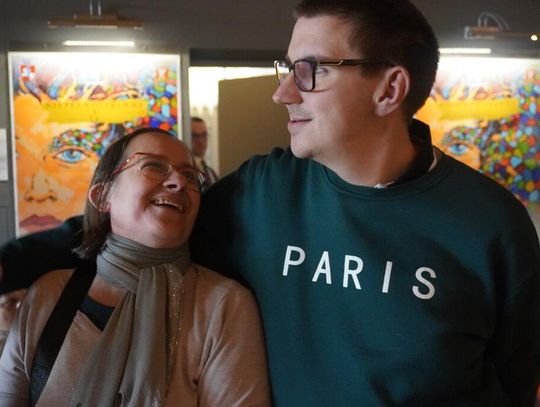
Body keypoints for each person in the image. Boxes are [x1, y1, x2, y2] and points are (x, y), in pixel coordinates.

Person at [1, 0, 540, 405]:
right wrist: (10, 266)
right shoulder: (266, 190)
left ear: (389, 90)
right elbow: (137, 226)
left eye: (311, 70)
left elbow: (518, 381)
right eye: (288, 69)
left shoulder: (491, 225)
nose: (283, 92)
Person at [0, 127, 270, 406]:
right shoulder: (49, 294)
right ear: (103, 196)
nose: (179, 181)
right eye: (154, 166)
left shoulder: (223, 306)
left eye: (190, 176)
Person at [191, 116, 219, 186]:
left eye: (204, 135)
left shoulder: (211, 173)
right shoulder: (182, 171)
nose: (200, 141)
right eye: (194, 136)